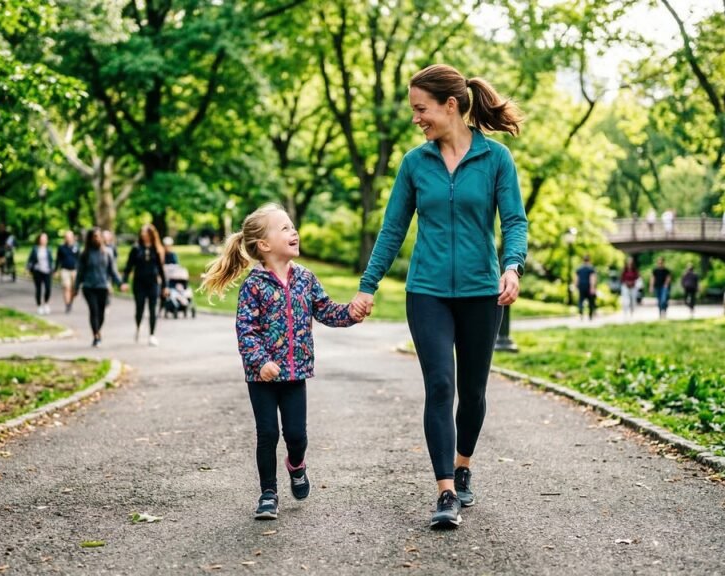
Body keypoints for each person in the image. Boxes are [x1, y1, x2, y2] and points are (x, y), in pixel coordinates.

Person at [350, 64, 528, 529]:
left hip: (479, 292)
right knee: (440, 387)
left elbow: (514, 221)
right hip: (426, 291)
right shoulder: (414, 163)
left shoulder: (495, 159)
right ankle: (445, 490)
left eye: (421, 109)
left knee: (471, 393)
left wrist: (512, 265)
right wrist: (368, 286)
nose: (416, 118)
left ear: (451, 105)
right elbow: (392, 230)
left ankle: (464, 464)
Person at [200, 203, 363, 521]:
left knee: (297, 435)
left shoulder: (305, 279)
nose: (294, 231)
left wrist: (350, 314)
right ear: (264, 244)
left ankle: (297, 466)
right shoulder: (254, 285)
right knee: (267, 434)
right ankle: (268, 494)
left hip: (294, 373)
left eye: (292, 226)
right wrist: (260, 361)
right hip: (261, 377)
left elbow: (326, 309)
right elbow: (245, 330)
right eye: (285, 228)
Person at [73, 228, 125, 347]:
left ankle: (98, 330)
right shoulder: (85, 254)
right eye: (94, 236)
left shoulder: (108, 252)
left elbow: (112, 271)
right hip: (89, 287)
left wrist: (120, 283)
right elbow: (80, 272)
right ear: (90, 238)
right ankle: (96, 335)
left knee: (101, 313)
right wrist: (75, 288)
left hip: (103, 287)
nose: (97, 238)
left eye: (98, 236)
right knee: (94, 311)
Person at [123, 224, 169, 346]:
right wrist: (124, 281)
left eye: (146, 233)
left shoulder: (156, 249)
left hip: (153, 283)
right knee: (140, 308)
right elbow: (128, 267)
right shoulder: (136, 249)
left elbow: (161, 269)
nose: (144, 235)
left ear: (151, 235)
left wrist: (165, 285)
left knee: (153, 309)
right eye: (142, 233)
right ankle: (138, 326)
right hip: (139, 283)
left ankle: (152, 335)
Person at [27, 232, 54, 315]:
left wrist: (53, 269)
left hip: (47, 271)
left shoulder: (49, 249)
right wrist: (29, 269)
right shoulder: (35, 249)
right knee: (38, 289)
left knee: (48, 288)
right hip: (37, 271)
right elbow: (30, 260)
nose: (44, 240)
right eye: (42, 239)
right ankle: (39, 306)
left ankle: (46, 303)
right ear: (39, 240)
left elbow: (51, 260)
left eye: (45, 239)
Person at [54, 230, 80, 313]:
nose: (68, 239)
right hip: (65, 269)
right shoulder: (61, 247)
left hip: (75, 270)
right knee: (66, 287)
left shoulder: (76, 247)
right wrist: (55, 270)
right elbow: (58, 260)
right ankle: (67, 304)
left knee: (74, 289)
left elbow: (80, 259)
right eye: (67, 237)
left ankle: (70, 302)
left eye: (70, 237)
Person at [574, 254, 597, 320]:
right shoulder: (591, 269)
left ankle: (581, 313)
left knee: (581, 300)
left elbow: (576, 278)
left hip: (581, 286)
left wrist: (575, 286)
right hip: (588, 286)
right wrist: (592, 287)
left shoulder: (579, 269)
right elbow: (592, 278)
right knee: (590, 301)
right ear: (589, 260)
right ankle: (590, 315)